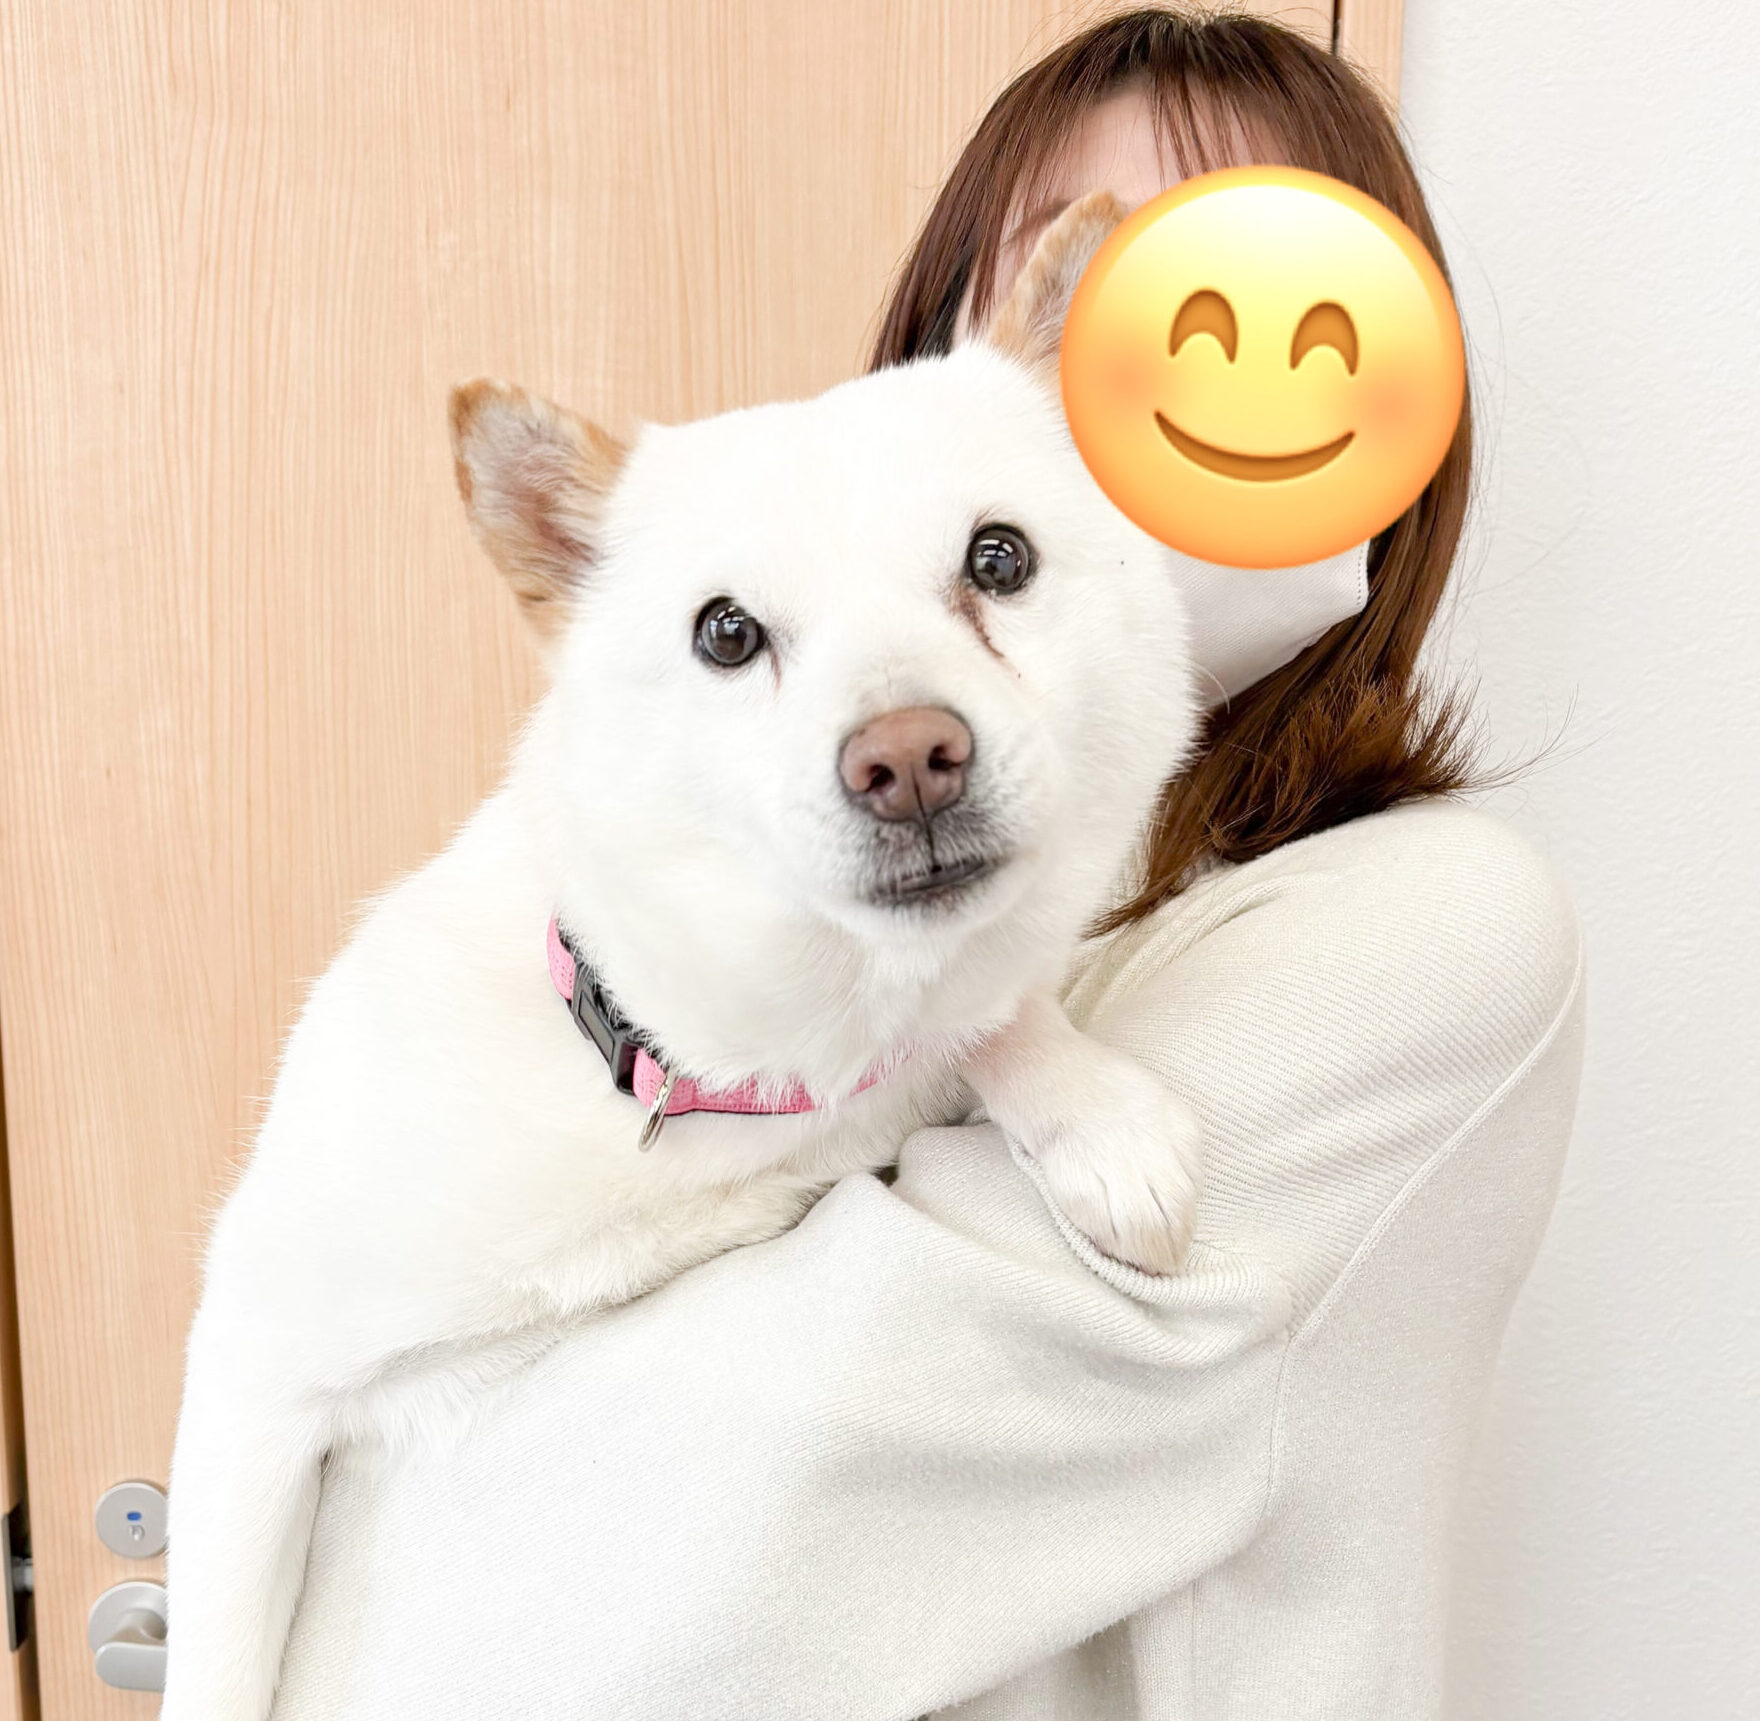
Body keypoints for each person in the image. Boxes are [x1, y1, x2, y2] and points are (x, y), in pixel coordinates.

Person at [270, 11, 1582, 1719]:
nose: (1188, 380)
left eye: (1263, 304)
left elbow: (720, 1540)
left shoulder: (1420, 936)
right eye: (1089, 308)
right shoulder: (740, 916)